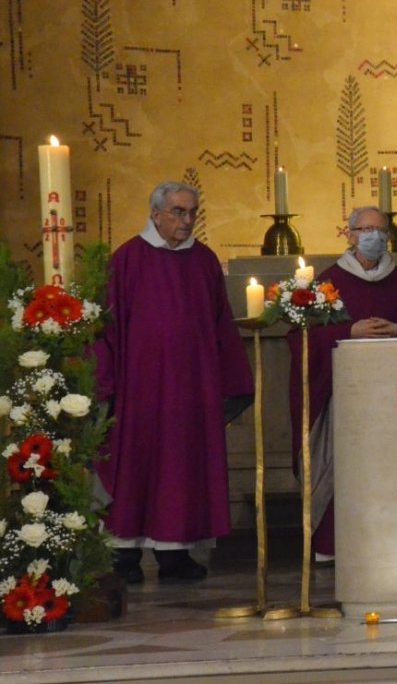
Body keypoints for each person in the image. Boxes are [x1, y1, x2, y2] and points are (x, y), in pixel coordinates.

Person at [95, 182, 253, 583]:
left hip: (191, 389)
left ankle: (175, 553)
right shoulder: (127, 259)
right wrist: (104, 382)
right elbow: (107, 326)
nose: (186, 221)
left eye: (192, 213)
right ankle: (123, 554)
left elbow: (219, 321)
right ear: (156, 214)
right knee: (134, 464)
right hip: (139, 389)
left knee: (181, 469)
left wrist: (229, 378)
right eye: (178, 212)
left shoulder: (203, 261)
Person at [288, 206, 397, 562]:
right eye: (366, 229)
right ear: (350, 235)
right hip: (342, 397)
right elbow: (299, 337)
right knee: (344, 467)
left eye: (381, 230)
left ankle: (388, 541)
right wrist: (348, 331)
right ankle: (332, 545)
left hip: (390, 397)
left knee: (387, 470)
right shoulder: (327, 281)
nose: (374, 237)